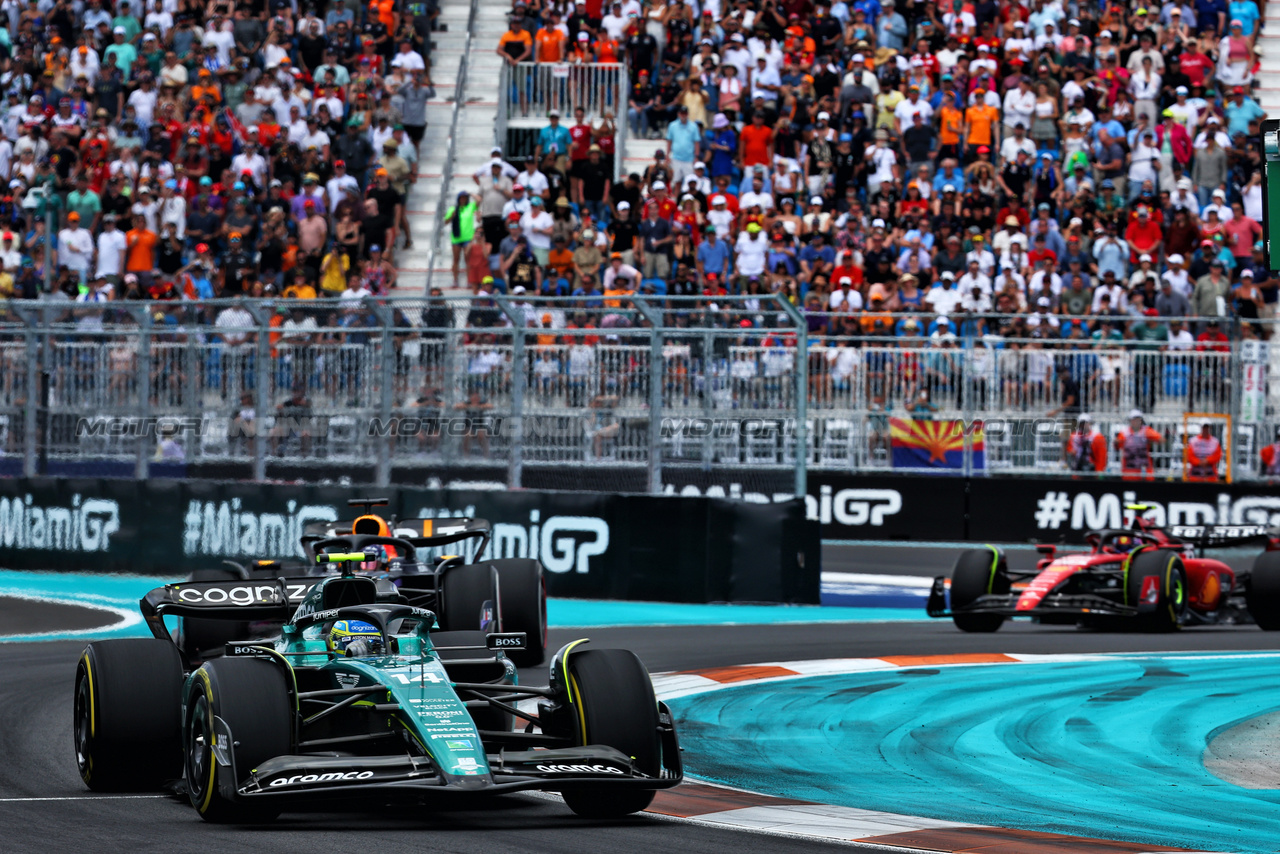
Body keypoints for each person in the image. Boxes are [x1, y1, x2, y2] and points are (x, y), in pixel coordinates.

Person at [1115, 409, 1163, 481]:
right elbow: (1117, 445)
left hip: (1144, 469)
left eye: (1138, 419)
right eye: (1134, 419)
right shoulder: (1124, 433)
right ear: (1130, 421)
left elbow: (1160, 439)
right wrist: (1117, 442)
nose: (1136, 422)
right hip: (1129, 469)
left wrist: (1150, 440)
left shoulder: (1146, 431)